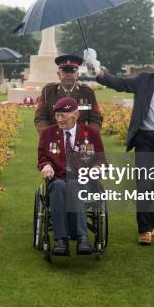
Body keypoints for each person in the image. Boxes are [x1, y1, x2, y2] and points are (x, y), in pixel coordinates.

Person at [84, 47, 154, 246]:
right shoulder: (143, 81)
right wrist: (98, 71)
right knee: (145, 184)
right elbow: (119, 83)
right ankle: (144, 229)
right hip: (145, 140)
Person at [37, 97, 105, 256]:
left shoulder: (91, 133)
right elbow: (42, 158)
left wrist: (96, 168)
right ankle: (61, 240)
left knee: (74, 185)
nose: (60, 119)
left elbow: (101, 160)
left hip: (84, 181)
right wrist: (46, 165)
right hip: (58, 179)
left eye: (63, 115)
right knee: (60, 186)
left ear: (76, 114)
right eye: (57, 115)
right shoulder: (48, 134)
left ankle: (82, 238)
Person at [34, 54, 103, 134]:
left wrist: (89, 135)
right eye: (65, 70)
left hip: (80, 139)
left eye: (72, 70)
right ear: (58, 74)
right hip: (55, 138)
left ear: (77, 75)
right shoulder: (48, 91)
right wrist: (48, 136)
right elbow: (40, 118)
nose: (68, 74)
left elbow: (96, 118)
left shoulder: (87, 92)